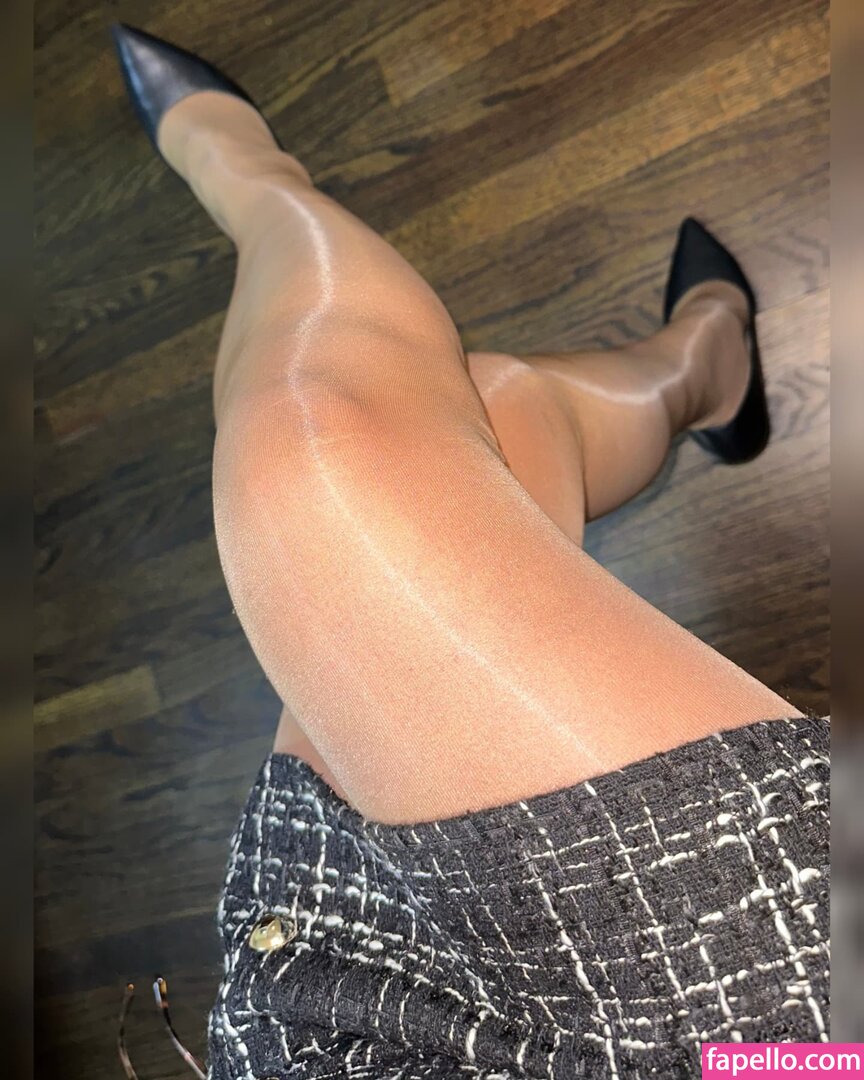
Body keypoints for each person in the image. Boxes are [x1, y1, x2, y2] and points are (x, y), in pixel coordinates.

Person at [111, 25, 830, 1079]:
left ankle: (700, 373)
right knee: (321, 451)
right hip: (798, 1053)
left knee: (485, 419)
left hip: (339, 1022)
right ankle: (252, 178)